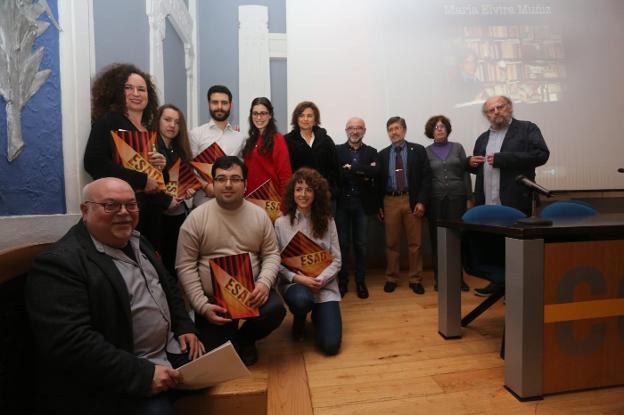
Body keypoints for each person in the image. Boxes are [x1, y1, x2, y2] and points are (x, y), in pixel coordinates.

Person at [25, 178, 204, 415]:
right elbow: (71, 343)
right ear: (85, 210)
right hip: (115, 380)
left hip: (166, 353)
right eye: (111, 205)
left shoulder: (137, 240)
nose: (124, 213)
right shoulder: (60, 263)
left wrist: (184, 326)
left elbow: (167, 285)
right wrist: (142, 374)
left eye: (131, 205)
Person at [176, 156, 286, 366]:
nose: (228, 184)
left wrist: (264, 283)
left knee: (275, 310)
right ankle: (227, 337)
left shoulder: (259, 215)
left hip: (252, 294)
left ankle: (245, 339)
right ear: (213, 183)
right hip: (214, 302)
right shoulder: (195, 219)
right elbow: (185, 265)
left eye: (235, 179)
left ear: (245, 184)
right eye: (221, 179)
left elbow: (272, 253)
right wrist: (201, 305)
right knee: (214, 353)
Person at [467, 95, 549, 296]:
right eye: (491, 110)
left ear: (509, 107)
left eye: (500, 107)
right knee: (492, 246)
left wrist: (504, 159)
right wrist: (469, 163)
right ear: (486, 115)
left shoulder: (527, 129)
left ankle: (517, 290)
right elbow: (480, 169)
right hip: (487, 202)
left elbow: (541, 155)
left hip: (515, 200)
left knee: (515, 249)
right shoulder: (483, 138)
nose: (496, 112)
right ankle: (499, 283)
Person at [84, 63, 172, 249]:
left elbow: (159, 180)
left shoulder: (148, 130)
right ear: (117, 91)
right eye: (129, 88)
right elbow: (94, 162)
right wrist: (141, 180)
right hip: (123, 211)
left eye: (142, 89)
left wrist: (161, 167)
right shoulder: (108, 121)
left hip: (153, 212)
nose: (136, 93)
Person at [275, 168, 342, 355]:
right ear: (292, 192)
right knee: (301, 300)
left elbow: (337, 260)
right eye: (299, 189)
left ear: (316, 194)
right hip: (296, 286)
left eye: (309, 190)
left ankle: (319, 315)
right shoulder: (280, 223)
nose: (303, 194)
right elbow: (276, 263)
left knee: (330, 346)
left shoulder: (328, 221)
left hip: (325, 286)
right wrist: (300, 280)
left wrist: (321, 280)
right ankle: (300, 315)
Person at [378, 117, 432, 294]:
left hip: (412, 200)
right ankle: (391, 277)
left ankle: (415, 279)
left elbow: (426, 178)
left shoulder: (418, 150)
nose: (394, 132)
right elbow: (378, 182)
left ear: (404, 130)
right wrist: (379, 204)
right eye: (390, 129)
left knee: (415, 243)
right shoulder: (383, 154)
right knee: (391, 243)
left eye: (397, 128)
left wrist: (422, 201)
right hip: (391, 200)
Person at [424, 115, 472, 292]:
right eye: (436, 127)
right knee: (437, 240)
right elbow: (426, 178)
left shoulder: (458, 148)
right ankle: (439, 278)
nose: (439, 129)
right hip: (435, 200)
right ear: (431, 131)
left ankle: (458, 279)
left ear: (447, 129)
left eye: (442, 126)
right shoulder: (426, 151)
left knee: (456, 239)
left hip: (457, 198)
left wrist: (469, 198)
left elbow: (465, 173)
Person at [335, 117, 379, 299]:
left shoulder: (372, 151)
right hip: (342, 204)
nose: (355, 131)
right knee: (343, 245)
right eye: (351, 128)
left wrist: (351, 168)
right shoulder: (336, 151)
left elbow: (376, 172)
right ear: (346, 130)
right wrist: (363, 171)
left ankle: (360, 282)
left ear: (364, 130)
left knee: (361, 245)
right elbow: (337, 173)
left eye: (359, 128)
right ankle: (343, 281)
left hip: (362, 205)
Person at [154, 104, 196, 277]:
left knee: (174, 262)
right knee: (159, 264)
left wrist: (189, 191)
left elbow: (182, 182)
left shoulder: (180, 150)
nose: (172, 125)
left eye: (177, 122)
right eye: (167, 120)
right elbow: (149, 183)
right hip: (157, 216)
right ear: (158, 121)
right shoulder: (151, 148)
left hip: (178, 213)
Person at [190, 85, 245, 206]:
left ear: (231, 105)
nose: (219, 107)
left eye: (224, 103)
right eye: (215, 102)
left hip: (233, 201)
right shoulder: (196, 134)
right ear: (209, 104)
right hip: (204, 200)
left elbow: (242, 171)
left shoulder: (240, 138)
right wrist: (206, 186)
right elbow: (187, 169)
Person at [284, 101, 340, 201]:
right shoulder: (287, 141)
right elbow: (285, 171)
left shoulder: (326, 140)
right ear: (296, 119)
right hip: (299, 197)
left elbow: (335, 168)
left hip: (323, 197)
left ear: (315, 119)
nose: (305, 119)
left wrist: (331, 191)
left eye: (309, 116)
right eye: (301, 115)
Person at [242, 97, 292, 195]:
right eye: (255, 113)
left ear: (270, 115)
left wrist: (284, 206)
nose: (259, 118)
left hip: (271, 200)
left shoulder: (277, 139)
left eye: (263, 113)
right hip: (250, 198)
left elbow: (285, 175)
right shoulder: (251, 140)